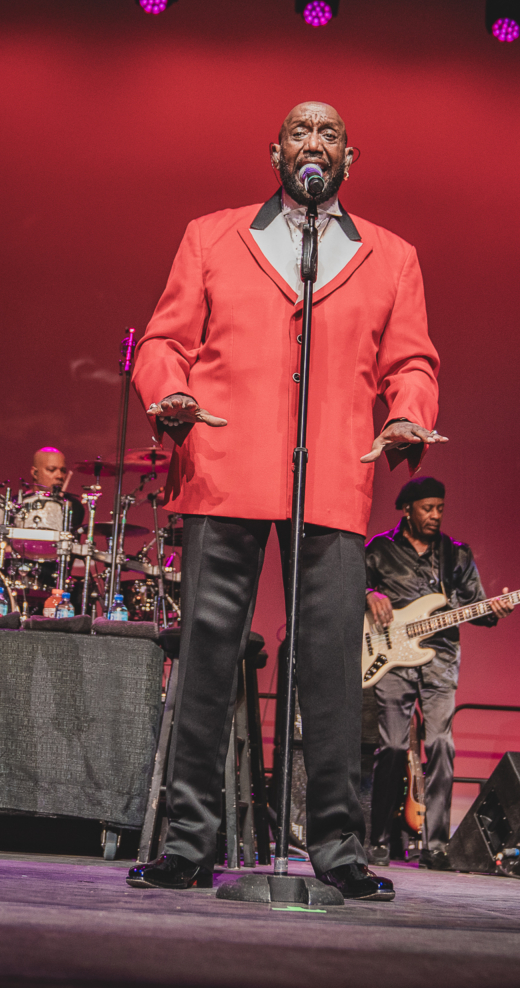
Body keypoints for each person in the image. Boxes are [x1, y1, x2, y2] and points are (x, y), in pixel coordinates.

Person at [126, 102, 440, 900]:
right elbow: (163, 342)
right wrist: (168, 392)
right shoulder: (213, 233)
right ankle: (190, 840)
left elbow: (413, 361)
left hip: (332, 474)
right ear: (275, 151)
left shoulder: (391, 254)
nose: (313, 142)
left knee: (334, 668)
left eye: (328, 133)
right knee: (206, 656)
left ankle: (337, 843)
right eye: (299, 131)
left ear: (350, 156)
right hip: (223, 462)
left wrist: (410, 412)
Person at [363, 476, 512, 870]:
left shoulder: (456, 555)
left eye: (440, 508)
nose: (435, 515)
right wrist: (369, 594)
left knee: (442, 744)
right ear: (407, 510)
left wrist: (493, 611)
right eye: (427, 508)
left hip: (441, 656)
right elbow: (350, 586)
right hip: (390, 653)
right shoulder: (379, 548)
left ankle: (436, 845)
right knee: (393, 747)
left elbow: (475, 607)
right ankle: (376, 838)